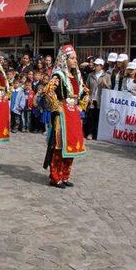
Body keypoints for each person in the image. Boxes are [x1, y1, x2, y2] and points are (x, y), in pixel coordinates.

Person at [42, 44, 88, 189]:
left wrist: (81, 105)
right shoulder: (58, 76)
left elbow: (86, 92)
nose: (75, 60)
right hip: (62, 116)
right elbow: (48, 91)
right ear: (65, 59)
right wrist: (57, 106)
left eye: (75, 58)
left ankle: (65, 175)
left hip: (74, 114)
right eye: (72, 58)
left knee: (72, 145)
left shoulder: (77, 76)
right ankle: (55, 177)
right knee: (59, 146)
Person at [85, 58, 110, 140]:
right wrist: (87, 96)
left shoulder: (106, 76)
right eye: (95, 65)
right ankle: (89, 133)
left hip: (101, 100)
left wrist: (106, 84)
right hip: (92, 99)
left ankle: (97, 134)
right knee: (90, 116)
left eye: (97, 65)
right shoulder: (90, 75)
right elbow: (86, 87)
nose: (95, 66)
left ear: (101, 66)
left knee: (98, 117)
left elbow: (110, 89)